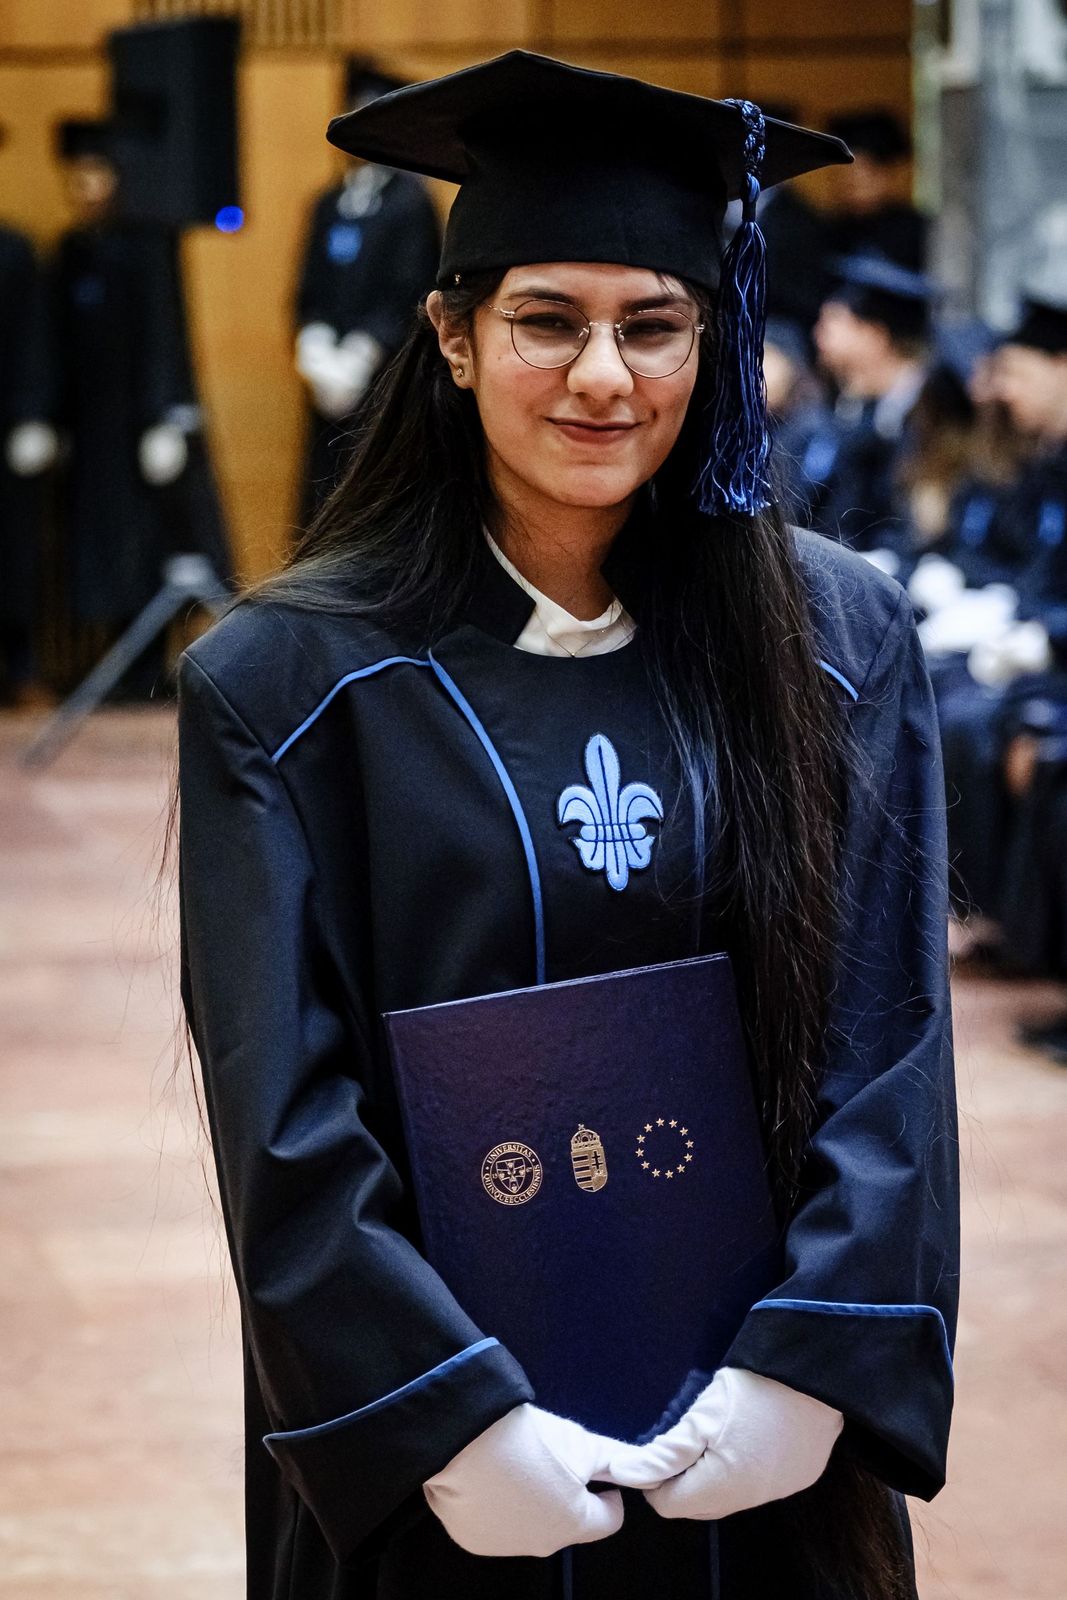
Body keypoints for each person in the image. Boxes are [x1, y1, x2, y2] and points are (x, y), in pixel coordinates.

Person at [176, 52, 959, 1600]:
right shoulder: (286, 684)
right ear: (452, 336)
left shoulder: (835, 641)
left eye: (651, 324)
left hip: (758, 1443)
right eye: (547, 319)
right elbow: (283, 1114)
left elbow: (888, 1040)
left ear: (708, 341)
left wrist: (813, 1365)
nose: (603, 375)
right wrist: (440, 1418)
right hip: (449, 1477)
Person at [52, 119, 230, 698]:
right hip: (93, 429)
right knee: (99, 545)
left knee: (153, 538)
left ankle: (154, 664)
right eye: (77, 174)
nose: (86, 185)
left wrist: (168, 415)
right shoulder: (72, 252)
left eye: (96, 172)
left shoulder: (149, 244)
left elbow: (165, 335)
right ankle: (114, 664)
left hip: (143, 421)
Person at [294, 58, 442, 521]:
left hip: (383, 377)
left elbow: (413, 288)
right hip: (327, 381)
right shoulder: (329, 202)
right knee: (323, 490)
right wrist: (314, 341)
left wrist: (362, 353)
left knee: (376, 490)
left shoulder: (410, 203)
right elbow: (309, 284)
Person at [0, 121, 58, 706]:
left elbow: (32, 340)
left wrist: (33, 415)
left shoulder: (14, 250)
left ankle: (20, 667)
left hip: (6, 429)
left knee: (14, 552)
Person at [823, 110, 928, 271]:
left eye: (859, 174)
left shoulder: (917, 233)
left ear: (885, 174)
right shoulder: (828, 231)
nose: (847, 182)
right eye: (840, 174)